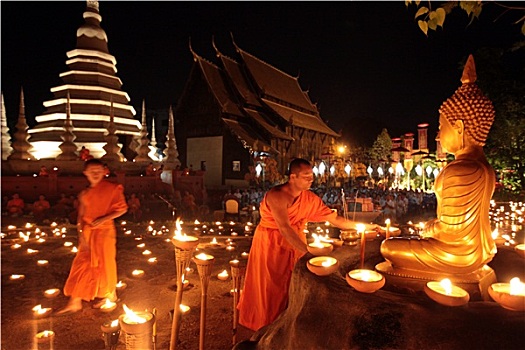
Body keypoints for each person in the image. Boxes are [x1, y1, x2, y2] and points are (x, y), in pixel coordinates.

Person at [380, 55, 497, 275]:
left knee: (389, 247)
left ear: (460, 127)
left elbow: (450, 232)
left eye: (443, 126)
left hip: (456, 254)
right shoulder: (485, 168)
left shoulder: (461, 170)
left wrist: (428, 228)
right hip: (482, 252)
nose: (440, 134)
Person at [237, 158, 378, 331]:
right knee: (271, 286)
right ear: (292, 177)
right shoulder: (277, 195)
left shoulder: (309, 198)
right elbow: (284, 227)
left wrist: (363, 226)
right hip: (271, 244)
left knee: (294, 282)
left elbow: (334, 219)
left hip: (296, 241)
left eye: (312, 175)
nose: (311, 179)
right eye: (306, 176)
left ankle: (288, 324)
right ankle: (266, 326)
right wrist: (306, 251)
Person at [57, 159, 128, 314]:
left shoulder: (112, 189)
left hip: (105, 232)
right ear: (86, 173)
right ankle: (75, 300)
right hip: (88, 233)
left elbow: (122, 209)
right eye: (92, 171)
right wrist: (81, 234)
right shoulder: (84, 194)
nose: (95, 174)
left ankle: (110, 295)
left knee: (105, 264)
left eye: (98, 170)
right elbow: (81, 216)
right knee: (82, 263)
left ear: (104, 171)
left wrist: (103, 219)